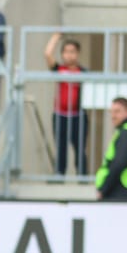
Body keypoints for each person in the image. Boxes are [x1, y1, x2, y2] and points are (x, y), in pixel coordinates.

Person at [45, 33, 88, 176]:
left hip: (78, 116)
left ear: (78, 54)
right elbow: (47, 54)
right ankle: (59, 175)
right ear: (62, 54)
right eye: (66, 52)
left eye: (73, 52)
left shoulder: (83, 72)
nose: (70, 55)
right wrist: (56, 36)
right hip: (60, 115)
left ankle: (82, 176)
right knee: (61, 148)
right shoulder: (59, 69)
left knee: (80, 148)